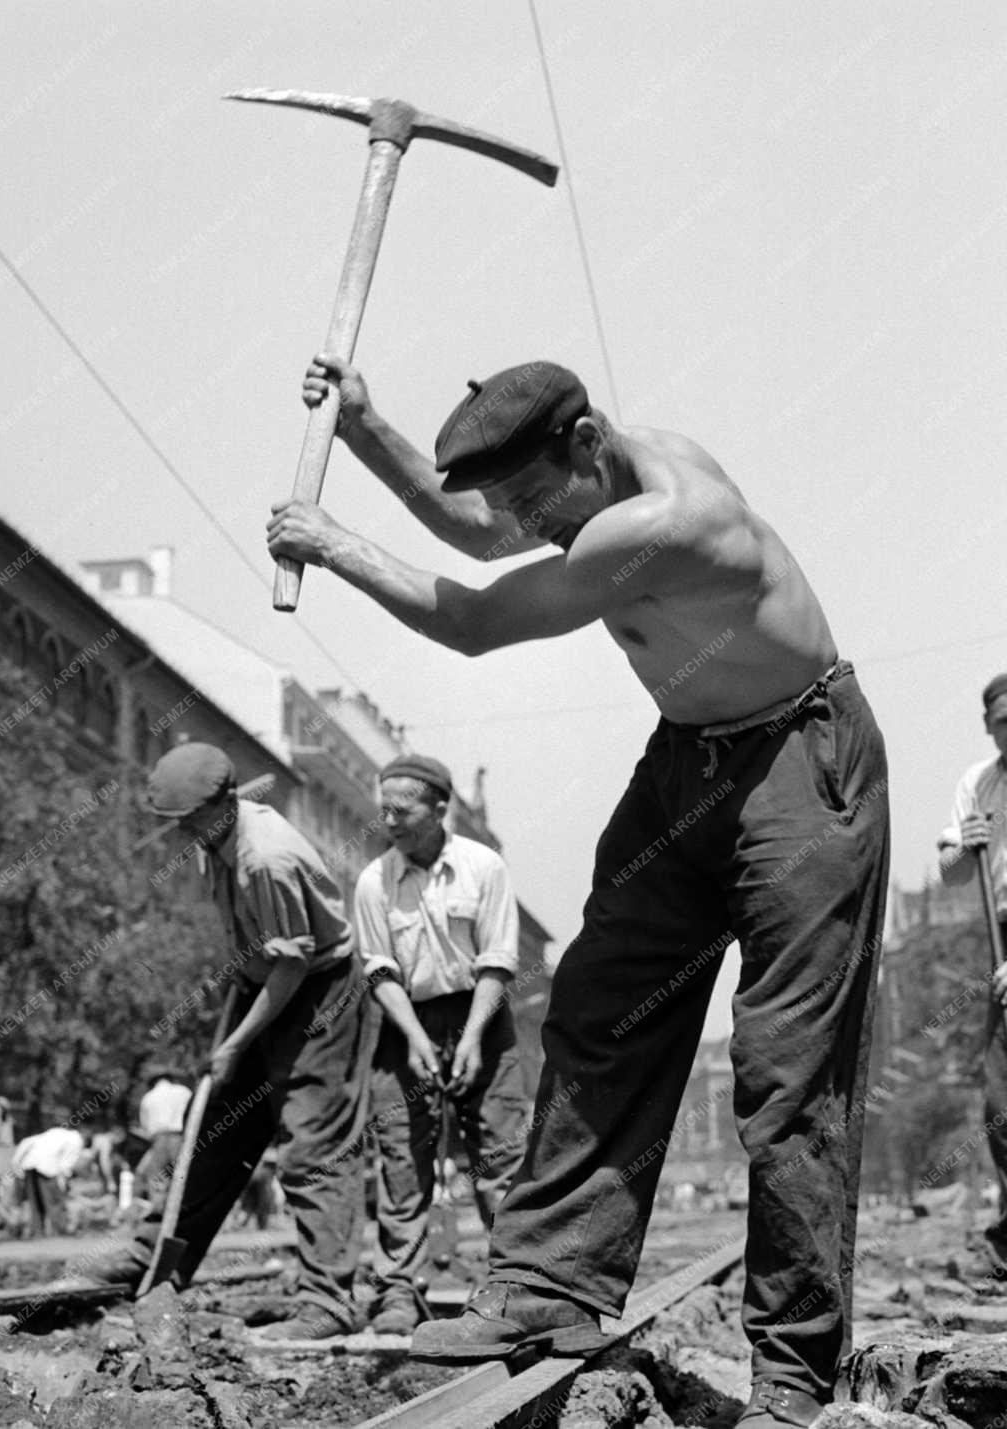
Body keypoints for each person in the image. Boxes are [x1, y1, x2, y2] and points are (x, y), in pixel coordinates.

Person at [266, 355, 890, 1428]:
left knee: (785, 1074)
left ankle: (791, 1365)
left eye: (531, 501)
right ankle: (549, 1288)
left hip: (801, 763)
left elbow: (467, 616)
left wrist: (330, 544)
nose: (523, 524)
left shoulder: (669, 519)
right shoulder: (587, 485)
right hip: (687, 761)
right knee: (598, 1013)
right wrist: (366, 429)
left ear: (587, 444)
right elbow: (473, 533)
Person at [91, 742, 377, 1337]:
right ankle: (158, 1254)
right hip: (262, 979)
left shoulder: (266, 859)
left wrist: (236, 1042)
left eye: (187, 823)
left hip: (318, 989)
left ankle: (328, 1299)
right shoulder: (214, 836)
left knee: (311, 1140)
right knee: (215, 1123)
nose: (179, 836)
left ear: (219, 808)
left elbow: (293, 966)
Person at [355, 752, 529, 1333]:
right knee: (403, 1158)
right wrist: (412, 1039)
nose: (391, 821)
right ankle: (399, 1291)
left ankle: (512, 1286)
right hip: (406, 1017)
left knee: (500, 1154)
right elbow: (379, 969)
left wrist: (474, 1038)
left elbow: (498, 959)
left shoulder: (484, 868)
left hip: (482, 1013)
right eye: (384, 811)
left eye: (403, 809)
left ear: (439, 808)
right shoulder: (373, 881)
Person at [937, 673, 1007, 1265]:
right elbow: (951, 871)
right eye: (1003, 721)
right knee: (1001, 1100)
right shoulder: (977, 783)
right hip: (999, 936)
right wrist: (964, 844)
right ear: (989, 725)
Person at [11, 1125, 90, 1236]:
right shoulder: (76, 1140)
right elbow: (66, 1164)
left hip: (29, 1164)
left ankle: (38, 1233)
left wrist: (15, 1162)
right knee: (55, 1202)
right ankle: (58, 1232)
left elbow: (26, 1141)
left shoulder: (55, 1132)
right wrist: (65, 1182)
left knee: (36, 1203)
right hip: (47, 1169)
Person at [133, 1067, 192, 1208]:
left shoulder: (148, 1097)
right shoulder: (184, 1092)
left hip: (158, 1139)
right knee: (184, 1175)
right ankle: (187, 1208)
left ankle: (158, 1211)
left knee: (158, 1177)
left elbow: (145, 1125)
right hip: (180, 1138)